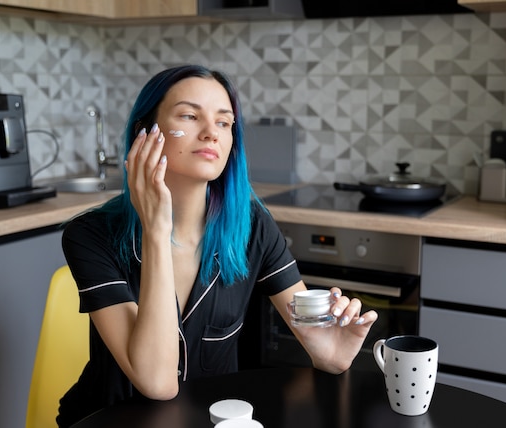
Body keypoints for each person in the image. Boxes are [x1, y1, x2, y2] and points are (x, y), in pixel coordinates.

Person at [56, 64, 378, 427]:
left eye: (224, 123)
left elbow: (317, 337)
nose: (212, 133)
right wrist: (156, 232)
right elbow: (157, 383)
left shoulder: (252, 225)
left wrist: (331, 351)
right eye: (190, 116)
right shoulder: (90, 235)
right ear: (144, 133)